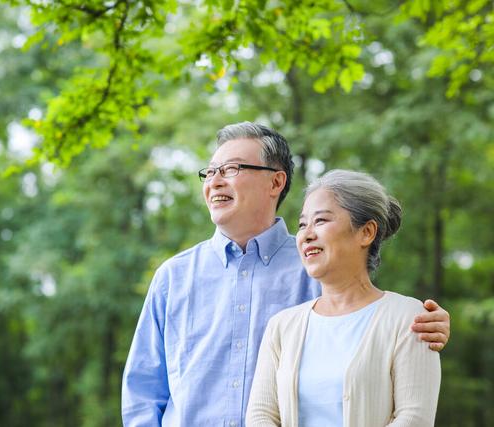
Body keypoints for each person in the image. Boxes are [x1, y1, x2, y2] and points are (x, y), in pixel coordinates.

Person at [122, 122, 449, 427]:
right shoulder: (173, 276)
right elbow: (143, 391)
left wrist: (423, 324)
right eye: (210, 172)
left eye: (232, 169)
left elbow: (366, 327)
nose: (215, 181)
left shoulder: (318, 266)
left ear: (276, 181)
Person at [246, 169, 441, 426]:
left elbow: (415, 417)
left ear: (366, 232)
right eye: (303, 224)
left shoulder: (410, 318)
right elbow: (261, 416)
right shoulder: (282, 326)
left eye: (321, 221)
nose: (306, 234)